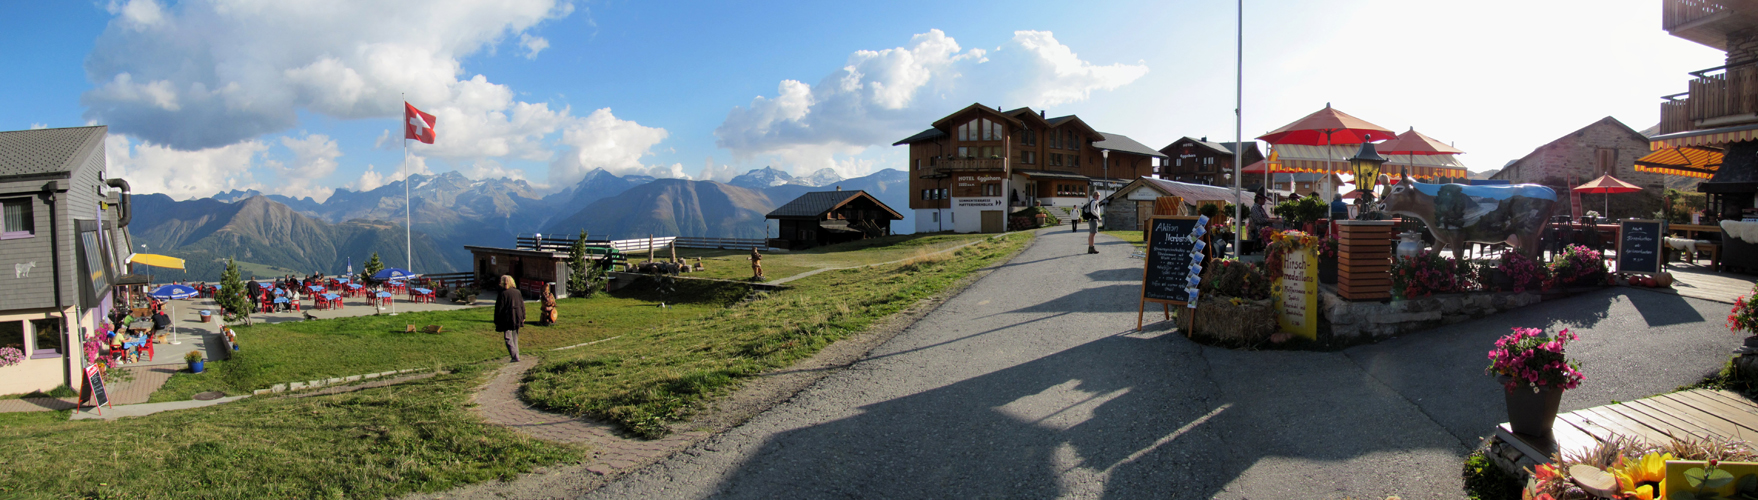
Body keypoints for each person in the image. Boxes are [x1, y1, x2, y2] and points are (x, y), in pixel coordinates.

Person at [493, 275, 525, 362]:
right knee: (515, 337)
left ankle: (514, 356)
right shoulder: (517, 292)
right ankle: (516, 355)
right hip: (517, 316)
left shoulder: (503, 293)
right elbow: (522, 305)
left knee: (508, 337)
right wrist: (523, 316)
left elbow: (499, 308)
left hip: (507, 317)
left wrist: (496, 320)